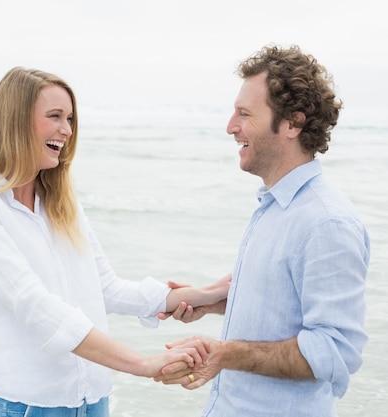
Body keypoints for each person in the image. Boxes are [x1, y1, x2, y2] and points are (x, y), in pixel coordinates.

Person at [0, 66, 230, 417]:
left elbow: (107, 288)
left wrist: (207, 294)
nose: (67, 130)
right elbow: (35, 305)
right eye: (55, 116)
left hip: (92, 403)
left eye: (70, 118)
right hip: (25, 406)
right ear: (16, 121)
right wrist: (143, 363)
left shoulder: (61, 205)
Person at [155, 45, 370, 417]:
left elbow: (334, 351)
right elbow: (283, 303)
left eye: (244, 114)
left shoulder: (326, 223)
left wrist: (225, 354)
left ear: (292, 123)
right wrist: (219, 301)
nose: (230, 126)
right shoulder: (274, 206)